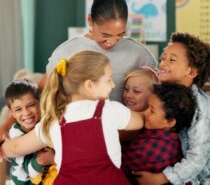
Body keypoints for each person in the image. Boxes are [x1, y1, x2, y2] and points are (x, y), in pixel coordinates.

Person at [1, 50, 144, 185]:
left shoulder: (54, 121)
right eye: (108, 80)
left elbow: (16, 147)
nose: (113, 85)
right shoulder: (110, 110)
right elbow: (140, 121)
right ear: (89, 85)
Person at [44, 0, 157, 102]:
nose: (112, 42)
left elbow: (158, 90)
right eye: (105, 35)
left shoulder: (138, 53)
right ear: (90, 20)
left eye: (120, 34)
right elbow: (47, 89)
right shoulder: (67, 50)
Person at [134, 32, 210, 185]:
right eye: (162, 58)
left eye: (172, 60)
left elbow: (197, 159)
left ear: (192, 71)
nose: (162, 63)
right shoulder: (162, 90)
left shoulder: (201, 109)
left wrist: (160, 179)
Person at [122, 83, 196, 184]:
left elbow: (118, 164)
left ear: (169, 122)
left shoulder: (145, 148)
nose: (145, 112)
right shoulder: (174, 137)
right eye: (147, 106)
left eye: (152, 110)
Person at [3, 79, 55, 184]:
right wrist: (42, 160)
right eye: (18, 109)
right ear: (12, 113)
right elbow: (31, 171)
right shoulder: (15, 136)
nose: (26, 113)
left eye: (31, 105)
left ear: (40, 103)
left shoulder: (44, 123)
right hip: (25, 182)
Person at [120, 66, 159, 143]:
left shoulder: (153, 123)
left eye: (136, 91)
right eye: (126, 89)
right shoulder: (119, 114)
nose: (128, 95)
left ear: (153, 94)